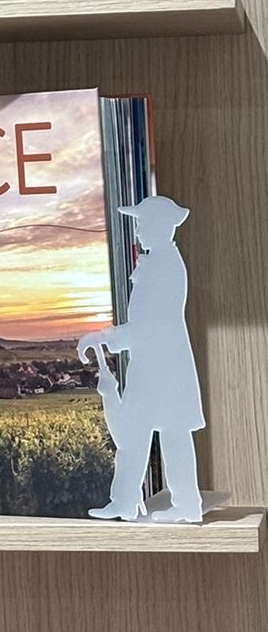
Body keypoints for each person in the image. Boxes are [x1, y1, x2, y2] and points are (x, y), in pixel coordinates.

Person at [78, 194, 203, 522]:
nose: (138, 231)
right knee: (153, 435)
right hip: (157, 367)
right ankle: (136, 502)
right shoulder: (161, 263)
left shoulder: (164, 268)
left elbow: (150, 327)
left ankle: (173, 504)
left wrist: (105, 337)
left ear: (160, 226)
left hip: (161, 370)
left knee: (163, 436)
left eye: (142, 224)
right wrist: (108, 338)